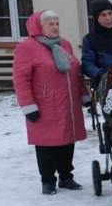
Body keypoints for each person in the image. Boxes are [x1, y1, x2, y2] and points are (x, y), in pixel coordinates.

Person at [13, 10, 90, 194]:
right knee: (47, 143)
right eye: (51, 24)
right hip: (45, 104)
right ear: (40, 26)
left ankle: (66, 177)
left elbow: (75, 73)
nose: (55, 27)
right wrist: (28, 105)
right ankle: (48, 180)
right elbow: (21, 79)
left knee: (67, 141)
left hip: (68, 102)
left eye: (57, 23)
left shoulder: (64, 44)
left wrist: (84, 97)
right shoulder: (27, 47)